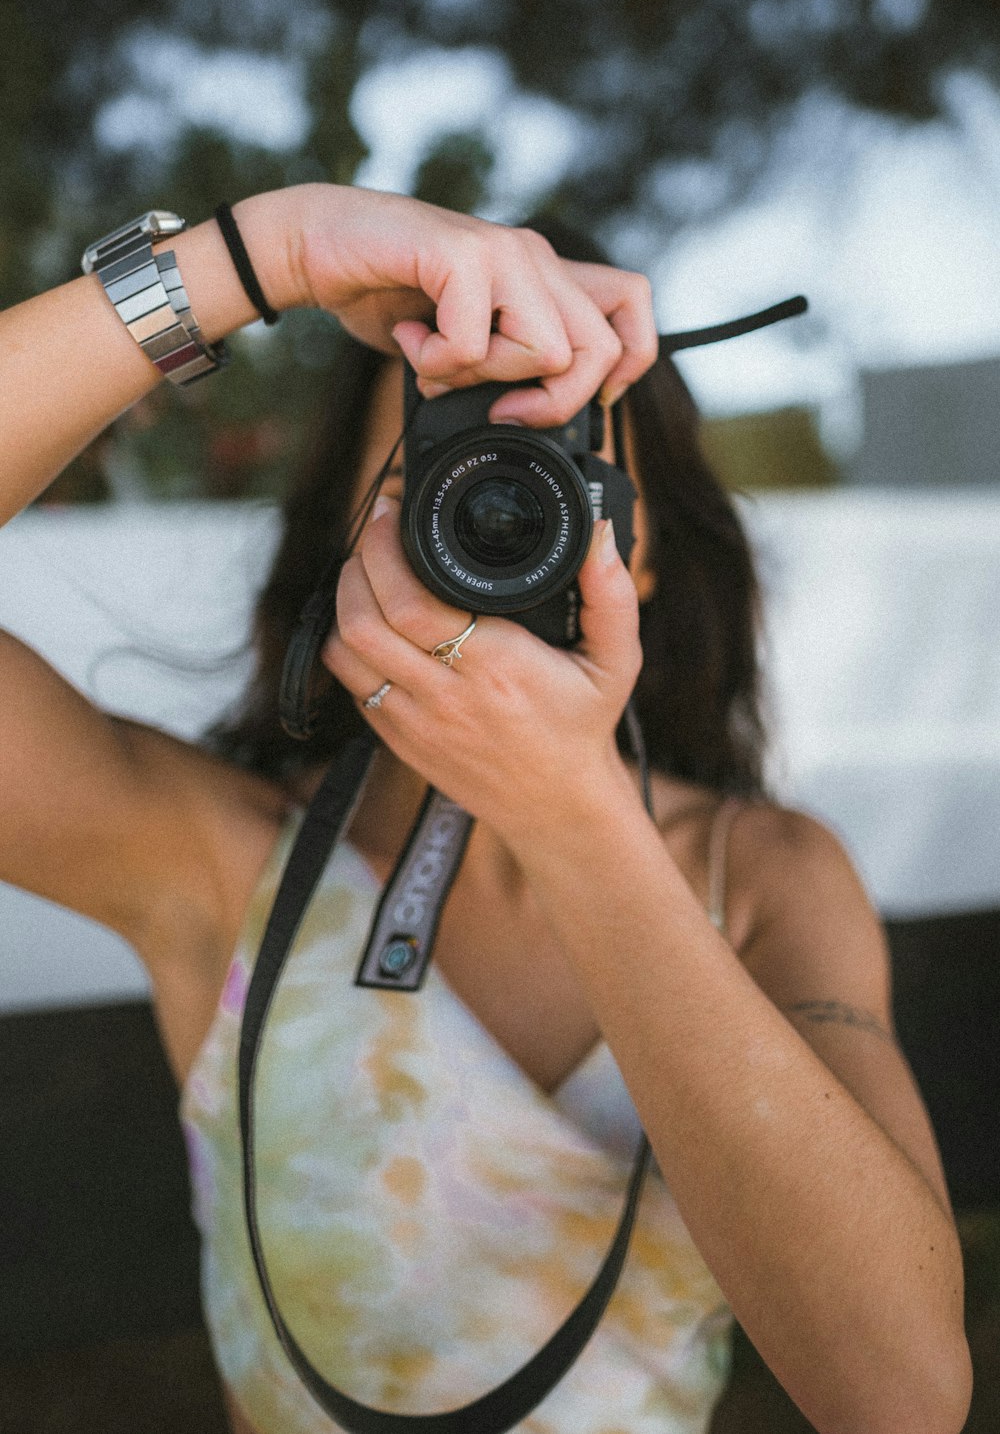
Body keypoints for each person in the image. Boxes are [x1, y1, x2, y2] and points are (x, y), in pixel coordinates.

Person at [0, 184, 972, 1434]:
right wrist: (263, 252)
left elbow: (898, 1395)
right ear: (349, 534)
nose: (501, 509)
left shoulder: (767, 877)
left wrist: (574, 814)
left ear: (650, 553)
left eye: (557, 470)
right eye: (443, 468)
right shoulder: (217, 859)